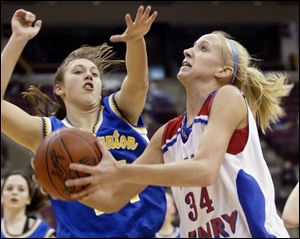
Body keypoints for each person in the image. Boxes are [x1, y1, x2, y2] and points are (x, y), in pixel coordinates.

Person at [65, 31, 293, 238]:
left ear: (223, 71)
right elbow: (113, 199)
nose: (187, 51)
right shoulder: (167, 135)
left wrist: (121, 171)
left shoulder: (228, 97)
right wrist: (65, 187)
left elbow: (204, 171)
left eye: (203, 49)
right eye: (193, 46)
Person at [1, 7, 167, 238]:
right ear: (59, 89)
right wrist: (17, 39)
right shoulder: (48, 133)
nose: (88, 76)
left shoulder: (120, 111)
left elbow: (139, 82)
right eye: (78, 72)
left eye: (94, 74)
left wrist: (136, 40)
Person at [1, 170, 55, 238]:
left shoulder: (43, 231)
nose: (14, 192)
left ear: (28, 199)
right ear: (1, 197)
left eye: (21, 189)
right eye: (9, 188)